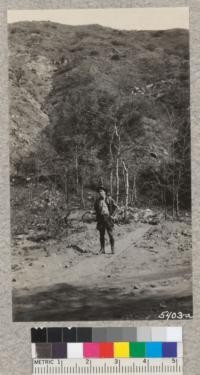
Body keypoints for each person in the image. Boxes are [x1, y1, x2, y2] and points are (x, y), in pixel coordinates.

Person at [94, 186, 118, 254]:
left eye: (101, 191)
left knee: (110, 234)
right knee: (101, 235)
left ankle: (112, 249)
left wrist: (113, 216)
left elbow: (116, 208)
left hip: (108, 218)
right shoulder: (97, 201)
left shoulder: (109, 199)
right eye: (99, 192)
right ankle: (102, 249)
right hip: (101, 219)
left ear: (105, 192)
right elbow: (96, 209)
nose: (100, 192)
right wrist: (94, 214)